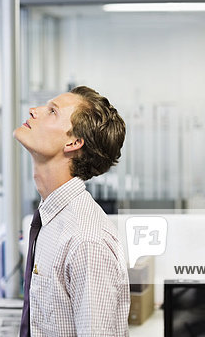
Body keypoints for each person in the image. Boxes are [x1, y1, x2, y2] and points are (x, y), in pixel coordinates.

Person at [14, 85, 130, 337]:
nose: (34, 111)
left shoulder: (86, 241)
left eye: (52, 111)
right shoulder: (52, 218)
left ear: (74, 142)